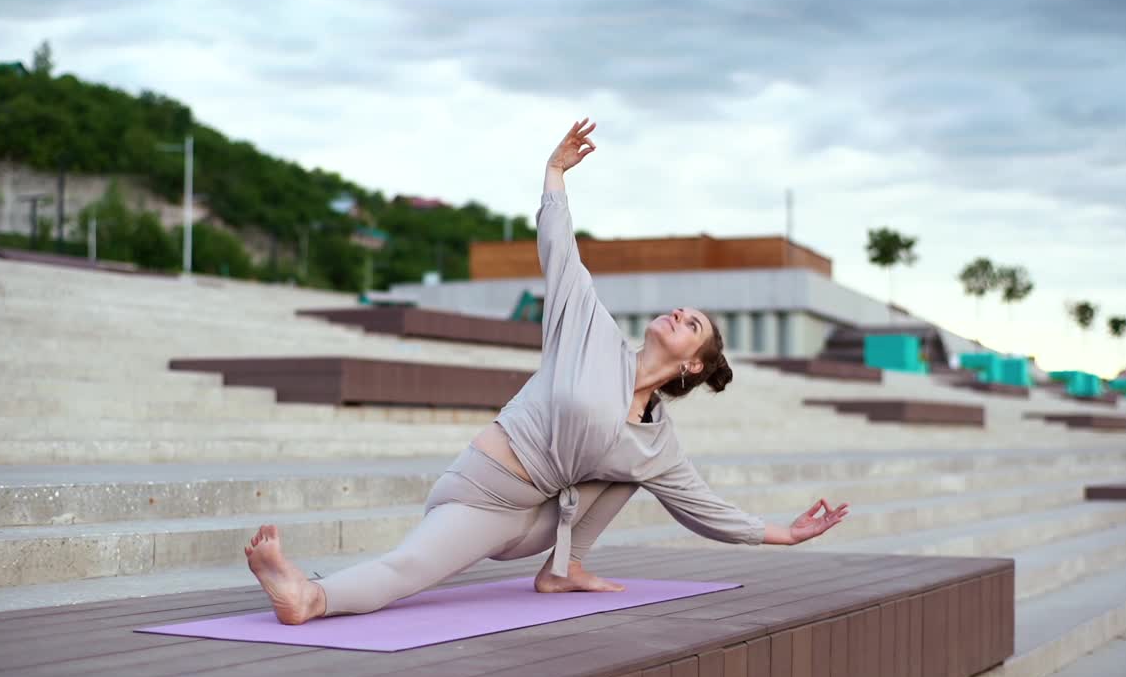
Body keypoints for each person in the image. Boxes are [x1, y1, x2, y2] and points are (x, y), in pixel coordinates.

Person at [244, 119, 850, 625]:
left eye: (692, 323)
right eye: (680, 310)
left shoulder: (655, 439)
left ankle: (564, 570)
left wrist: (785, 534)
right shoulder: (589, 331)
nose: (678, 314)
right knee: (409, 572)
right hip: (480, 494)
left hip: (536, 521)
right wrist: (554, 175)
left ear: (692, 365)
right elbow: (562, 253)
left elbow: (702, 508)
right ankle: (309, 597)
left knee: (633, 470)